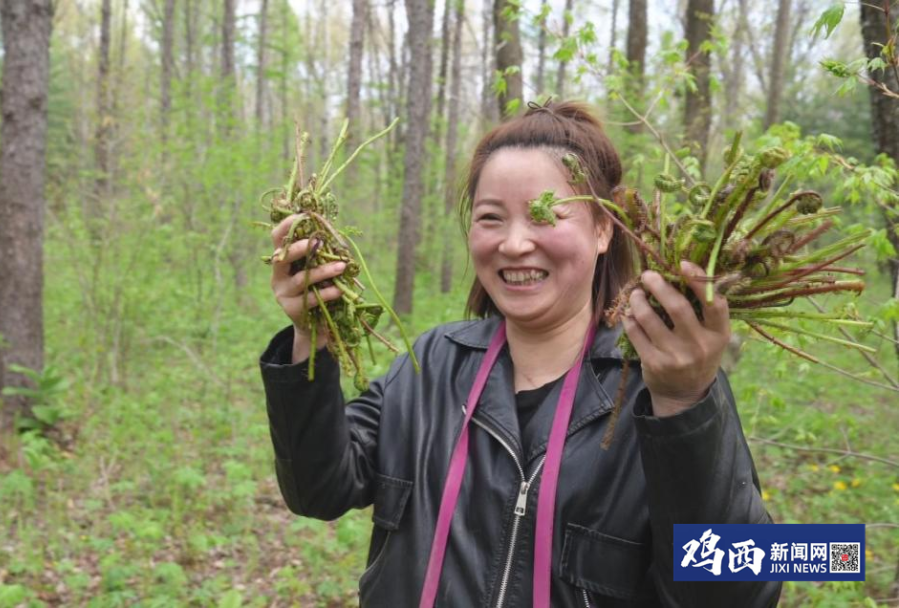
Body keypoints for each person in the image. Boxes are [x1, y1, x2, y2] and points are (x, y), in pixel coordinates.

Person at [259, 100, 781, 607]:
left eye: (544, 214)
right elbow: (318, 490)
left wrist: (686, 403)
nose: (512, 244)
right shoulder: (433, 363)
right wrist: (313, 340)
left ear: (603, 230)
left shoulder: (660, 385)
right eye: (490, 217)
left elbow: (749, 587)